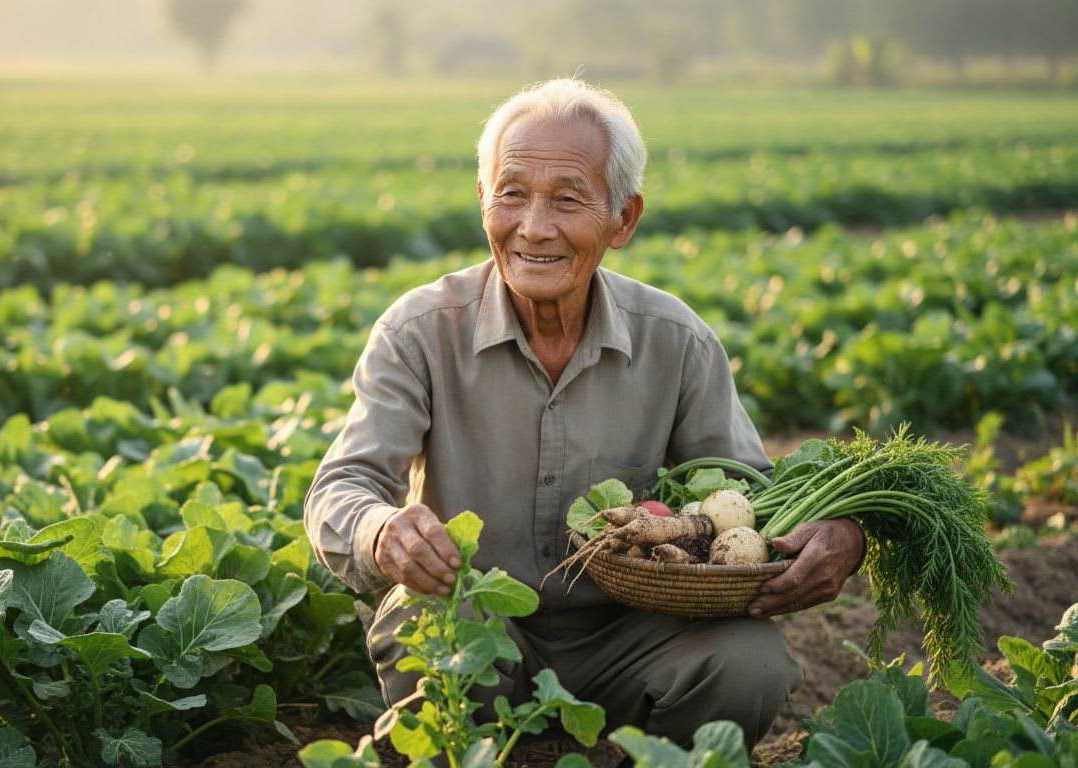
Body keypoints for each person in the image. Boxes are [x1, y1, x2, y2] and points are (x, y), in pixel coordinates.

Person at [303, 78, 864, 750]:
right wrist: (378, 529)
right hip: (481, 614)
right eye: (511, 194)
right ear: (483, 200)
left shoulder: (675, 342)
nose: (533, 228)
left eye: (568, 200)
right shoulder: (420, 332)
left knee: (752, 663)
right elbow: (340, 488)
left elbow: (747, 501)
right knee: (431, 626)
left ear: (623, 219)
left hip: (637, 632)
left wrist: (842, 536)